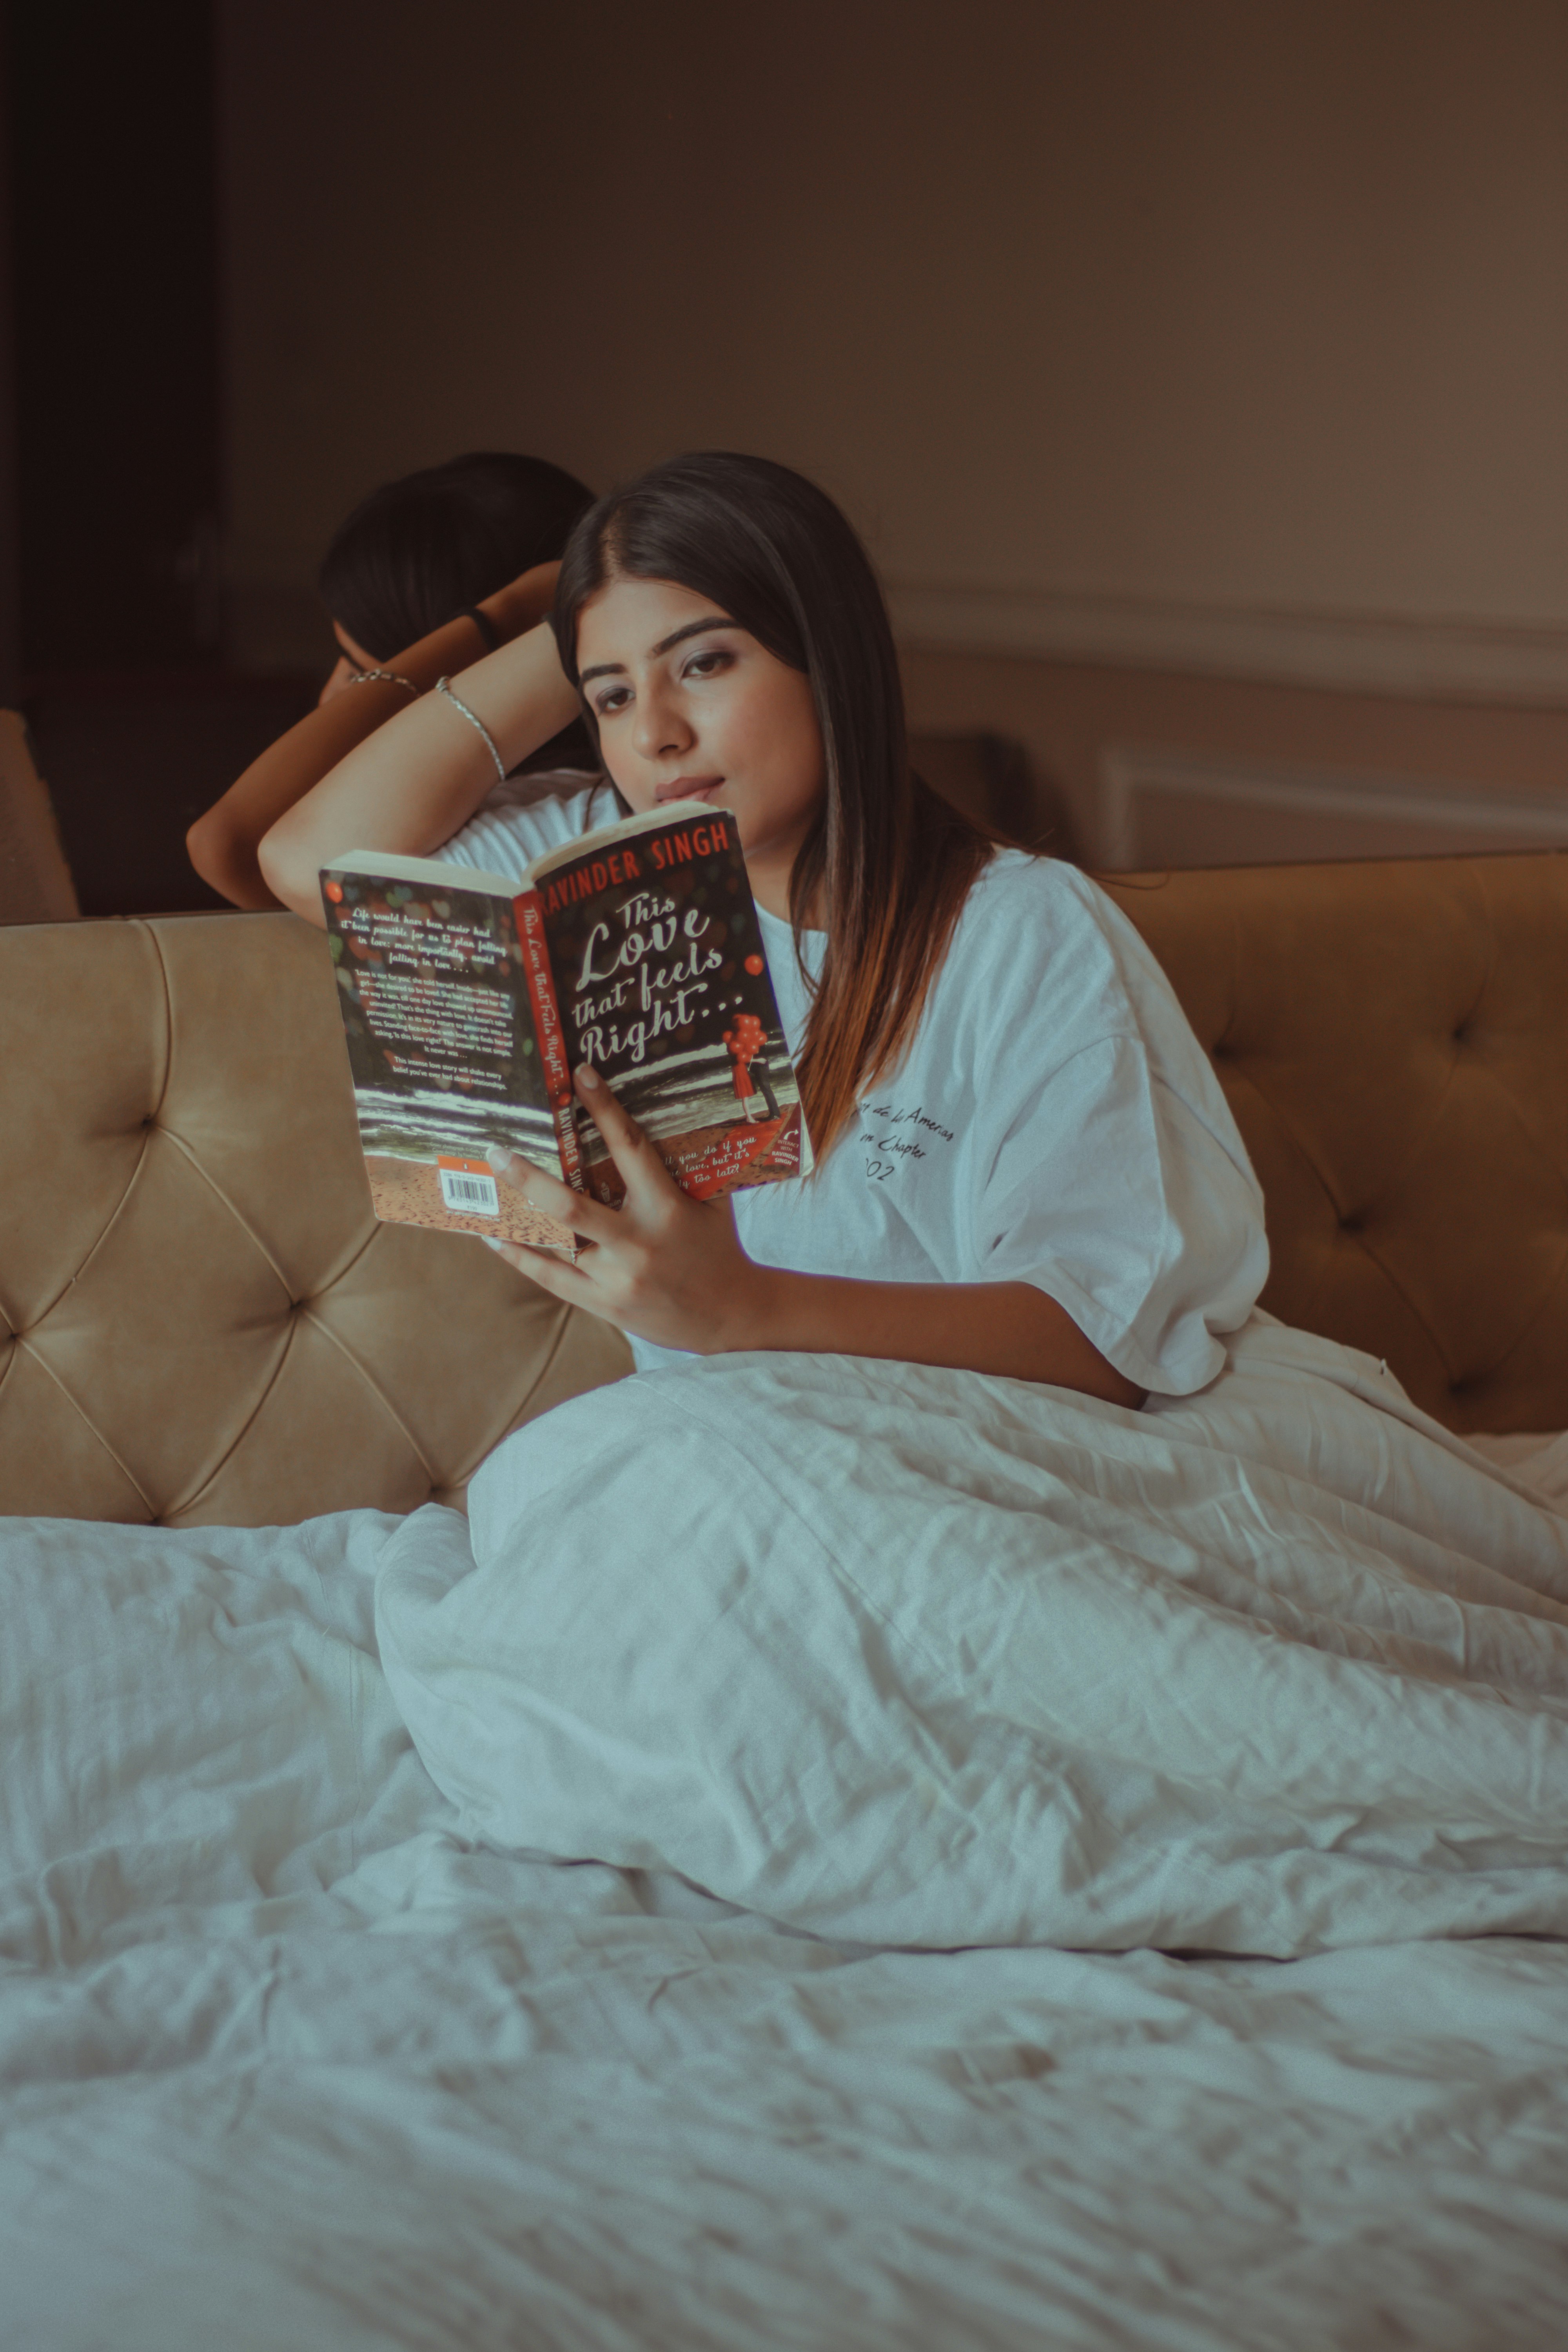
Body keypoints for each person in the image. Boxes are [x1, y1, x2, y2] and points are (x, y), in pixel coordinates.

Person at [259, 451, 1268, 1406]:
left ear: (827, 658)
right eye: (609, 695)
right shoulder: (592, 861)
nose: (656, 733)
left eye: (704, 664)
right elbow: (304, 858)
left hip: (966, 1442)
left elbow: (1104, 1344)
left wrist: (743, 1311)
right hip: (729, 1449)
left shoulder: (1022, 928)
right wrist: (571, 605)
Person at [187, 452, 597, 909]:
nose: (330, 698)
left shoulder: (522, 824)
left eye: (365, 674)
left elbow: (230, 845)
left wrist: (506, 620)